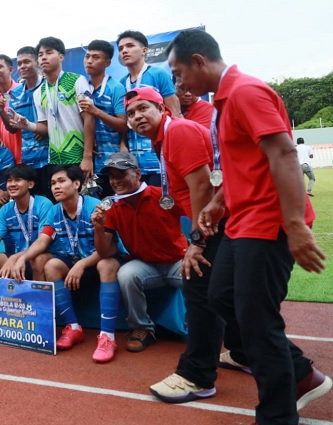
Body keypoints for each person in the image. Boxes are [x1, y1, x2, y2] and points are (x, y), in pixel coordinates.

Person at [167, 29, 330, 423]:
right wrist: (219, 203)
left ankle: (277, 414)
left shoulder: (245, 92)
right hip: (241, 221)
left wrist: (295, 226)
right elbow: (245, 163)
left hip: (268, 223)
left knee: (258, 324)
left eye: (177, 73)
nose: (177, 84)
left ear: (199, 62)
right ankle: (302, 373)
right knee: (220, 297)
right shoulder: (224, 102)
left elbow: (284, 152)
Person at [122, 87, 242, 402]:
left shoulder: (178, 132)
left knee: (199, 291)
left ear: (163, 109)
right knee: (224, 294)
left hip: (223, 223)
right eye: (131, 114)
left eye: (143, 109)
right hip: (223, 222)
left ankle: (196, 375)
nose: (136, 117)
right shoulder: (164, 140)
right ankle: (242, 351)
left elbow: (202, 185)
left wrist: (198, 241)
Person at [11, 165, 121, 362]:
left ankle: (107, 337)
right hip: (72, 264)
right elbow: (43, 240)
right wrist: (22, 258)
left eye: (61, 181)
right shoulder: (55, 212)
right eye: (53, 183)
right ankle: (73, 327)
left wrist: (82, 264)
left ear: (77, 184)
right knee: (50, 265)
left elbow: (110, 248)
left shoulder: (96, 207)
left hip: (96, 263)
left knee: (108, 264)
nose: (56, 187)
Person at [93, 151, 187, 353]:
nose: (115, 181)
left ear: (137, 173)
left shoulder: (161, 194)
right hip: (145, 264)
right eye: (111, 177)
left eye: (121, 174)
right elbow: (105, 252)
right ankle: (142, 328)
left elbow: (195, 211)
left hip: (178, 261)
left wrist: (199, 245)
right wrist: (99, 228)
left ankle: (205, 326)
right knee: (126, 274)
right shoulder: (112, 206)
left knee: (201, 276)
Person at [14, 37, 95, 181]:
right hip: (55, 159)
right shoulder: (39, 92)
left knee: (84, 200)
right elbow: (45, 128)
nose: (44, 57)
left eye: (49, 52)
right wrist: (27, 125)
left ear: (61, 56)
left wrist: (87, 157)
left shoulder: (76, 80)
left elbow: (89, 118)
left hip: (78, 156)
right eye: (40, 54)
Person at [0, 164, 53, 283]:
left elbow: (42, 243)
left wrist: (15, 257)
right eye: (9, 181)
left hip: (41, 254)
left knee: (37, 259)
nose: (12, 184)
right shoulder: (5, 210)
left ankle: (38, 300)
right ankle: (6, 299)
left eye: (18, 180)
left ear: (30, 184)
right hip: (18, 256)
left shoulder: (43, 204)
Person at [117, 30, 180, 186]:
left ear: (144, 50)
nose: (124, 50)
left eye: (130, 46)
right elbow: (125, 121)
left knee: (165, 205)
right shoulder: (121, 82)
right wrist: (123, 143)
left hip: (160, 158)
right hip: (135, 162)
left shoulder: (158, 74)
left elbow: (175, 113)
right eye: (121, 48)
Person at [79, 40, 128, 197]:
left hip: (112, 162)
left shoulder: (116, 87)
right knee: (94, 208)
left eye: (95, 57)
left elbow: (123, 125)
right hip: (90, 163)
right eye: (87, 56)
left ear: (107, 62)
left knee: (114, 207)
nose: (89, 60)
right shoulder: (82, 87)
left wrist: (96, 111)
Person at [3, 47, 50, 197]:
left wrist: (42, 129)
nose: (22, 66)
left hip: (52, 156)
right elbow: (12, 129)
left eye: (26, 62)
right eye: (19, 63)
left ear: (37, 62)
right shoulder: (13, 94)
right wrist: (0, 110)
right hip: (28, 160)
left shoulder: (48, 87)